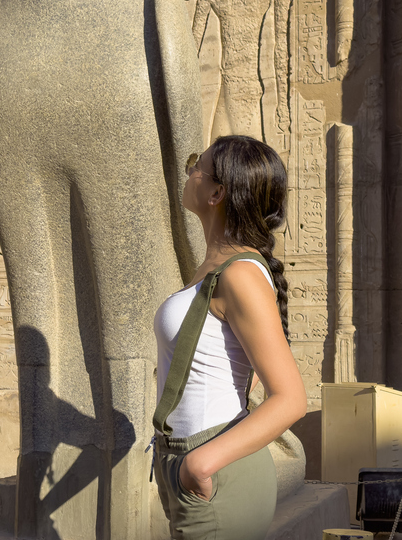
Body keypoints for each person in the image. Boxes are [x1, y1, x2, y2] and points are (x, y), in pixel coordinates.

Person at [152, 135, 307, 540]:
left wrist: (200, 465)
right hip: (191, 466)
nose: (188, 173)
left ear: (217, 192)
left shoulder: (239, 274)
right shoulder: (218, 266)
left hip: (213, 472)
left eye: (194, 165)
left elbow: (290, 399)